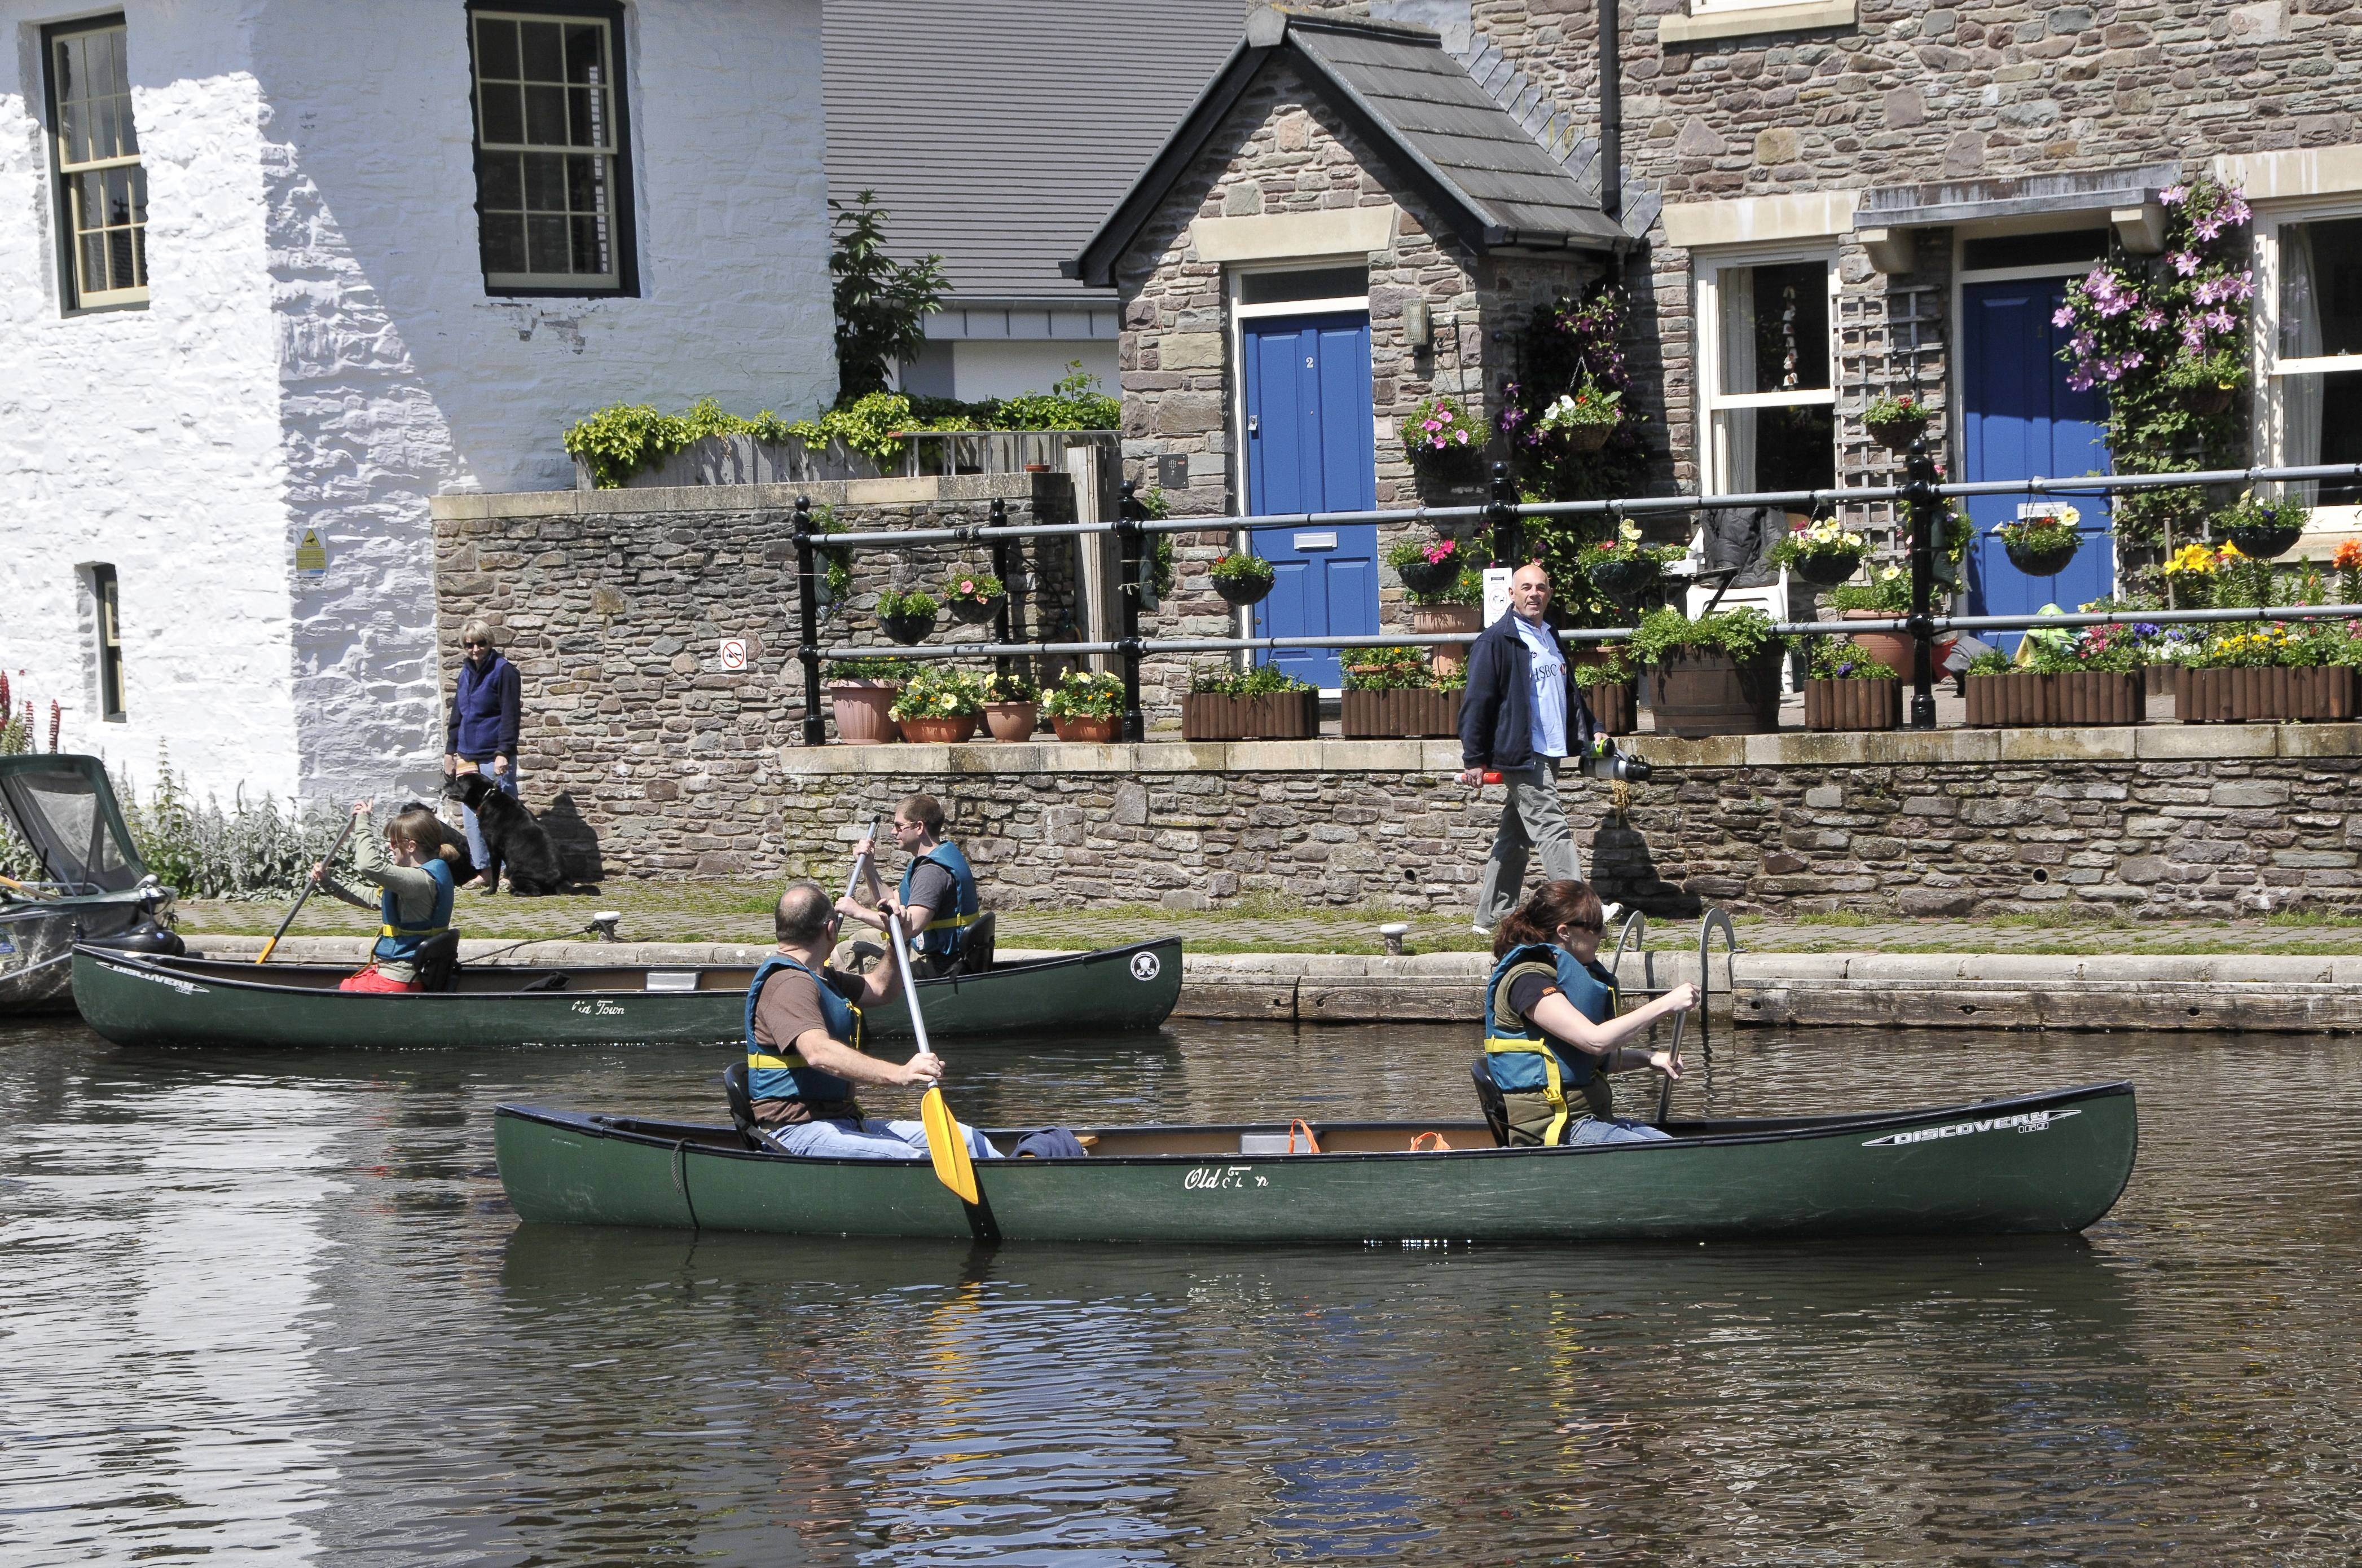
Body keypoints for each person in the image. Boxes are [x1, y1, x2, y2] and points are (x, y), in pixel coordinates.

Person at [744, 879, 1003, 1162]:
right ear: (831, 930)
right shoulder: (789, 983)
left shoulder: (821, 977)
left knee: (963, 1139)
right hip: (793, 1131)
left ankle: (1014, 1184)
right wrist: (899, 1074)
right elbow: (818, 1053)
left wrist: (898, 940)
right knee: (904, 1156)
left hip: (841, 1121)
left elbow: (881, 989)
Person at [1481, 879, 1696, 1146]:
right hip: (1559, 1129)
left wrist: (1649, 1057)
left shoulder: (1557, 974)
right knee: (1670, 1157)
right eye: (1595, 928)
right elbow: (1595, 1041)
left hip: (1592, 1118)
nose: (1604, 935)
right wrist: (1666, 1004)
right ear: (1565, 932)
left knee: (1674, 1147)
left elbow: (1581, 1061)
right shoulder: (1528, 982)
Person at [1457, 561, 1602, 935]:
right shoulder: (1495, 641)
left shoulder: (1550, 636)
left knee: (1515, 837)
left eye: (1540, 587)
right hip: (1520, 752)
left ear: (1548, 594)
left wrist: (1594, 729)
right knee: (1552, 828)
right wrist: (1474, 757)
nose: (1533, 594)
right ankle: (1581, 913)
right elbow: (1477, 702)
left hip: (1550, 750)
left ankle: (1490, 916)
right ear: (1511, 594)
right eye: (1525, 588)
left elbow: (1569, 695)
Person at [309, 800, 461, 992]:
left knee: (329, 995)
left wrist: (363, 822)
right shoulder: (429, 874)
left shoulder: (418, 881)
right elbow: (372, 897)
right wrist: (327, 882)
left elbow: (368, 866)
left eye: (393, 842)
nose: (390, 848)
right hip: (408, 976)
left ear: (411, 846)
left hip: (397, 981)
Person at [853, 794, 979, 979]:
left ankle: (866, 1003)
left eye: (899, 826)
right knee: (859, 937)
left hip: (939, 966)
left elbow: (910, 927)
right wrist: (868, 867)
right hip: (938, 955)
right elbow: (891, 900)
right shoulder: (936, 857)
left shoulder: (932, 871)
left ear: (919, 827)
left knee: (846, 952)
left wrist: (857, 912)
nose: (893, 832)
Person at [443, 618, 521, 892]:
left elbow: (511, 715)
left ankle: (510, 871)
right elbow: (458, 715)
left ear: (490, 643)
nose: (475, 649)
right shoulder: (465, 673)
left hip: (493, 754)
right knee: (471, 816)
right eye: (469, 644)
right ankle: (486, 871)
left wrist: (504, 752)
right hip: (467, 754)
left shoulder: (505, 671)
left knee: (504, 817)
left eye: (481, 643)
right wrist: (450, 750)